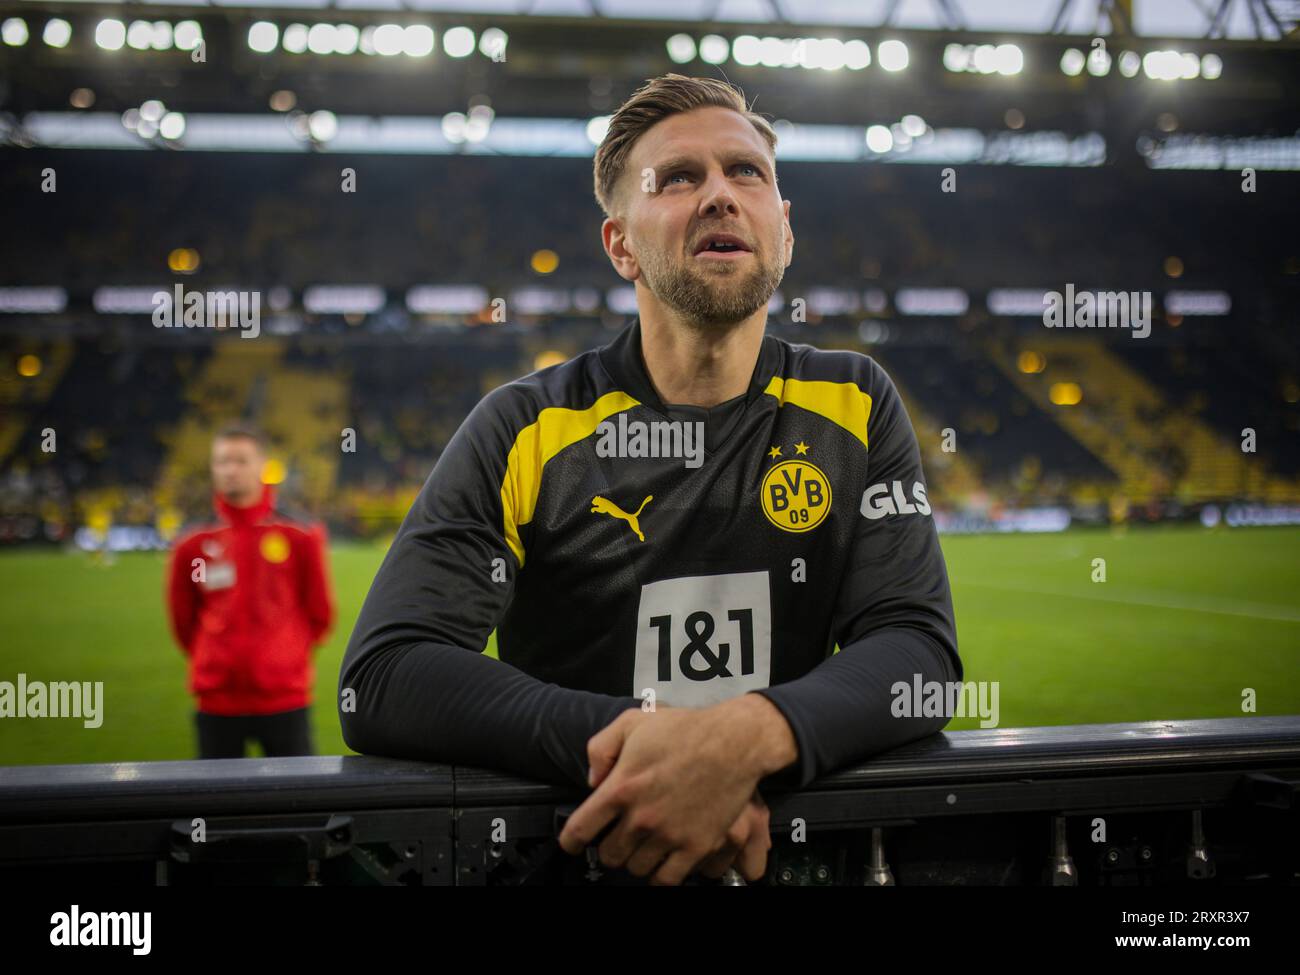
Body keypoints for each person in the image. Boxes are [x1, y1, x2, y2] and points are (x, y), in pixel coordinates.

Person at [341, 74, 962, 885]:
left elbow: (918, 657)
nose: (720, 196)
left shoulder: (852, 401)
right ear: (621, 244)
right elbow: (384, 675)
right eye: (677, 178)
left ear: (785, 226)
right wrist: (653, 744)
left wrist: (739, 739)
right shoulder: (525, 426)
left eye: (747, 173)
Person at [167, 424, 335, 759]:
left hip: (284, 697)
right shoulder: (193, 541)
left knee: (296, 804)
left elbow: (320, 613)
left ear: (262, 466)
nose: (230, 470)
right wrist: (214, 657)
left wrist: (284, 655)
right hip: (217, 700)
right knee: (219, 807)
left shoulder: (299, 533)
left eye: (241, 461)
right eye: (222, 462)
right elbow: (182, 619)